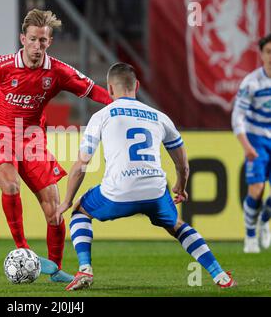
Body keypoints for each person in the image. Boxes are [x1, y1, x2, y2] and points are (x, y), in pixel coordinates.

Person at [0, 9, 112, 282]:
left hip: (32, 140)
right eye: (33, 39)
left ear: (49, 42)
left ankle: (54, 268)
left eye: (43, 41)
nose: (37, 46)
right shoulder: (2, 66)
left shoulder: (58, 71)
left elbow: (92, 90)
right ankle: (23, 249)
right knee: (11, 184)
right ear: (22, 39)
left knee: (54, 210)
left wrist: (123, 104)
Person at [56, 62, 237, 291]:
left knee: (81, 210)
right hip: (155, 189)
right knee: (177, 226)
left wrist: (67, 200)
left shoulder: (102, 115)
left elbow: (82, 163)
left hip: (118, 191)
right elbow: (183, 164)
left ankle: (85, 270)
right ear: (137, 86)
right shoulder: (159, 116)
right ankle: (219, 275)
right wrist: (180, 187)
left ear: (110, 89)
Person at [231, 34, 271, 253]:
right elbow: (237, 117)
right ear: (261, 55)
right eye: (268, 52)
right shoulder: (252, 83)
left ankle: (265, 219)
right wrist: (246, 145)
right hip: (256, 138)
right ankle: (250, 236)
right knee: (256, 188)